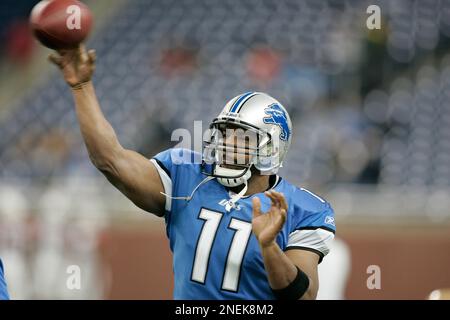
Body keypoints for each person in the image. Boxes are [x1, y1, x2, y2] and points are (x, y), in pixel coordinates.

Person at [48, 45, 335, 300]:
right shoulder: (188, 175)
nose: (228, 144)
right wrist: (81, 87)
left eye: (242, 137)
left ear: (272, 147)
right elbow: (110, 160)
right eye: (225, 134)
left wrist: (269, 246)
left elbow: (304, 296)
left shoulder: (302, 209)